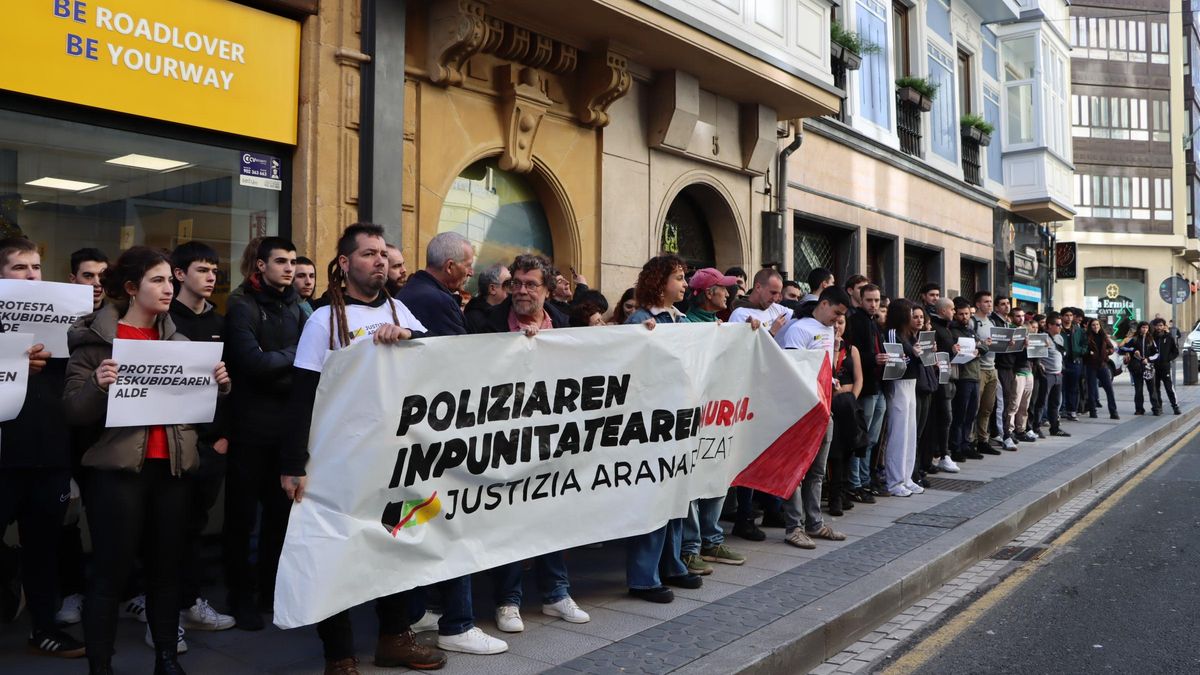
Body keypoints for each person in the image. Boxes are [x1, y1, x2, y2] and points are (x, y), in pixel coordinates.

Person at [279, 224, 448, 674]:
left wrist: (411, 339)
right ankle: (340, 655)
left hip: (392, 457)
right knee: (334, 553)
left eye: (383, 254)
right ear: (345, 264)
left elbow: (441, 365)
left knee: (392, 545)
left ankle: (395, 637)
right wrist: (293, 462)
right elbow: (303, 394)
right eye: (369, 254)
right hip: (337, 458)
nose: (379, 261)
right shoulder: (323, 319)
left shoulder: (401, 310)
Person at [63, 246, 231, 675]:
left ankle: (166, 661)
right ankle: (101, 665)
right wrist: (98, 385)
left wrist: (217, 387)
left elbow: (196, 409)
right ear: (132, 288)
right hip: (118, 476)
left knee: (165, 572)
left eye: (170, 281)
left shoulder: (178, 342)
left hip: (172, 472)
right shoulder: (97, 342)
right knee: (110, 574)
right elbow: (73, 412)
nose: (168, 288)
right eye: (158, 280)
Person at [467, 254, 591, 632]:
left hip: (552, 439)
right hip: (505, 438)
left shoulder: (565, 324)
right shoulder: (482, 323)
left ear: (547, 289)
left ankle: (556, 593)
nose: (521, 291)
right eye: (515, 283)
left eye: (530, 284)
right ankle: (508, 601)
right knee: (511, 519)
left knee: (550, 514)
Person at [396, 232, 506, 656]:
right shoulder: (437, 300)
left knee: (423, 523)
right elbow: (465, 361)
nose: (471, 271)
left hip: (421, 434)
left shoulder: (413, 293)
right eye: (467, 263)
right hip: (440, 436)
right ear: (448, 267)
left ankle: (418, 608)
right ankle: (457, 622)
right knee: (452, 523)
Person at [0, 237, 83, 658]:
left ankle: (44, 628)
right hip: (3, 455)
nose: (31, 275)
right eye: (19, 268)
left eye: (35, 267)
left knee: (44, 548)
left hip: (49, 452)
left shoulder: (62, 320)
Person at [222, 236, 304, 630]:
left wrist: (283, 361)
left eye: (292, 261)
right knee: (241, 520)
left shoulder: (297, 306)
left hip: (287, 428)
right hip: (249, 428)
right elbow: (252, 363)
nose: (289, 268)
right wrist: (295, 356)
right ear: (260, 266)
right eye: (281, 262)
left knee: (280, 516)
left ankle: (271, 591)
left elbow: (317, 358)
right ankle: (241, 598)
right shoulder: (240, 304)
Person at [168, 242, 237, 638]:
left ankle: (191, 602)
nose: (211, 277)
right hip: (171, 442)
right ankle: (165, 609)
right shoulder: (165, 320)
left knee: (194, 526)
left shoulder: (220, 321)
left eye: (214, 271)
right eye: (201, 270)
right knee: (167, 528)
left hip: (211, 444)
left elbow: (232, 384)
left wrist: (224, 437)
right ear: (180, 274)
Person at [623, 255, 700, 602]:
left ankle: (671, 564)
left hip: (677, 421)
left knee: (676, 496)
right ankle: (643, 576)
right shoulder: (639, 321)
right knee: (654, 499)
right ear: (660, 282)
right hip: (651, 425)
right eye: (679, 278)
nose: (685, 285)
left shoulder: (680, 319)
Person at [676, 268, 748, 564]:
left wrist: (748, 334)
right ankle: (692, 547)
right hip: (695, 415)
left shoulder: (723, 325)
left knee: (717, 472)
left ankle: (711, 538)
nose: (728, 293)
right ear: (708, 293)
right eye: (723, 288)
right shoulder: (685, 326)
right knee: (693, 479)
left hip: (718, 415)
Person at [774, 286, 852, 547]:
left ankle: (814, 523)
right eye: (836, 313)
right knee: (797, 471)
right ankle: (793, 527)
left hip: (823, 408)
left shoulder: (829, 329)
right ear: (824, 303)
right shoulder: (800, 329)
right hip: (801, 410)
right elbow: (794, 370)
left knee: (818, 471)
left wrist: (831, 380)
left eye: (842, 317)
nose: (837, 320)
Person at [846, 283, 887, 504]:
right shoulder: (856, 321)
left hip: (878, 385)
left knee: (871, 438)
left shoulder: (874, 322)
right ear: (860, 300)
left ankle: (864, 478)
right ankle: (855, 483)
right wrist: (874, 359)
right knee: (861, 439)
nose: (873, 304)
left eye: (877, 300)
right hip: (866, 387)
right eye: (869, 300)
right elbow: (854, 354)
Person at [882, 299, 925, 497]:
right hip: (898, 383)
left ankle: (907, 477)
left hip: (911, 383)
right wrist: (913, 354)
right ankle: (894, 480)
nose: (913, 316)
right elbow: (895, 358)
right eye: (909, 312)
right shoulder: (892, 333)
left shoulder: (909, 335)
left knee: (909, 432)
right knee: (898, 432)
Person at [395, 232, 475, 336]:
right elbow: (460, 349)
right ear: (449, 267)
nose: (471, 273)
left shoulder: (411, 288)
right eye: (468, 266)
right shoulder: (441, 302)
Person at [826, 311, 864, 515]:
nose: (837, 327)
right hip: (830, 405)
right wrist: (833, 350)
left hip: (848, 405)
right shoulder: (823, 346)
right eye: (834, 322)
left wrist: (852, 400)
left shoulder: (852, 349)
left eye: (840, 323)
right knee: (835, 452)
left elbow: (859, 378)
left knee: (849, 448)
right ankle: (834, 496)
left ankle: (843, 492)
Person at [948, 298, 986, 463]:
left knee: (971, 413)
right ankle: (956, 447)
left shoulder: (970, 330)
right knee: (960, 414)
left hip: (975, 375)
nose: (965, 317)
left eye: (967, 314)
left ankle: (966, 444)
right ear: (955, 314)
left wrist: (979, 349)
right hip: (962, 377)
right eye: (961, 314)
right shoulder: (953, 331)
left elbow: (983, 345)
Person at [925, 298, 959, 474]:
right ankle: (941, 454)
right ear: (944, 310)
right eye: (952, 309)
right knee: (943, 417)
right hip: (937, 381)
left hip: (948, 378)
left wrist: (955, 351)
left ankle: (941, 453)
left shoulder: (946, 327)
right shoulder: (936, 329)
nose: (954, 312)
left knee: (946, 418)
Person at [727, 268, 791, 334]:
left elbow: (797, 314)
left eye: (778, 294)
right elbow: (737, 344)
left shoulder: (775, 308)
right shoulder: (740, 315)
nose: (775, 299)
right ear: (758, 287)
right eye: (773, 293)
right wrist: (772, 332)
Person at [1006, 307, 1037, 444]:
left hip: (1028, 371)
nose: (1021, 318)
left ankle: (1021, 429)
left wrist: (1040, 347)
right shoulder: (1012, 332)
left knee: (1025, 405)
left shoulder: (1026, 331)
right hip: (1017, 371)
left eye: (1023, 316)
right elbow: (1012, 355)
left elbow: (1033, 355)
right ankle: (1009, 431)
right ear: (1012, 317)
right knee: (1014, 404)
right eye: (1018, 316)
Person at [1083, 318, 1119, 420]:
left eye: (1097, 325)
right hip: (1091, 365)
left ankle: (1113, 411)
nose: (1096, 327)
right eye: (1093, 325)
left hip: (1103, 365)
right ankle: (1093, 411)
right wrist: (1089, 353)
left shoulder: (1103, 336)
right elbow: (1083, 349)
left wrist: (1107, 352)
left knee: (1109, 389)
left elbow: (1111, 348)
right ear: (1090, 326)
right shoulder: (1087, 336)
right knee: (1091, 389)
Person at [1042, 313, 1070, 437]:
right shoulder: (1042, 337)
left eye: (1061, 325)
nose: (1060, 327)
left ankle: (1055, 428)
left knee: (1056, 403)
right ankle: (1036, 427)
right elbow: (1036, 355)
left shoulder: (1059, 338)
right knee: (1041, 402)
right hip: (1047, 374)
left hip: (1058, 374)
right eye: (1058, 325)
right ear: (1049, 325)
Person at [463, 262, 510, 332]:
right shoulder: (474, 319)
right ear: (492, 289)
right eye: (508, 284)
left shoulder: (509, 312)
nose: (512, 288)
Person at [1149, 318, 1181, 415]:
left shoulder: (1169, 337)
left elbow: (1175, 352)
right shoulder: (1151, 338)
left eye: (1161, 325)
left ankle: (1175, 406)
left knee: (1169, 387)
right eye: (1157, 325)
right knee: (1156, 388)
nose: (1159, 327)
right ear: (1154, 326)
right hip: (1154, 367)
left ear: (1164, 326)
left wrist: (1167, 359)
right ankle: (1159, 407)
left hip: (1165, 367)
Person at [1121, 322, 1153, 415]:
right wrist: (1133, 350)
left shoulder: (1150, 340)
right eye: (1143, 327)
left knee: (1152, 389)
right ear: (1139, 328)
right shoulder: (1134, 339)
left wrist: (1148, 359)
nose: (1145, 329)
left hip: (1148, 367)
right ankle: (1139, 409)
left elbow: (1156, 352)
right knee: (1138, 389)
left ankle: (1156, 408)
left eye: (1146, 328)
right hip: (1137, 368)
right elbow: (1122, 348)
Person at [1060, 308, 1085, 421]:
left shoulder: (1077, 330)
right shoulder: (1059, 329)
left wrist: (1079, 351)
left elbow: (1085, 344)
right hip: (1062, 362)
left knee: (1073, 387)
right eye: (1066, 315)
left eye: (1070, 315)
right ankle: (1061, 410)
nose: (1069, 317)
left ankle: (1072, 410)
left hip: (1075, 362)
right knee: (1061, 387)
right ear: (1062, 317)